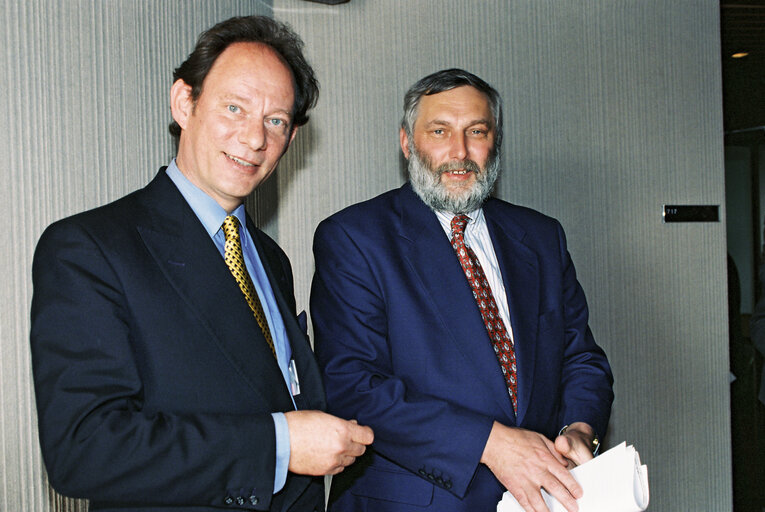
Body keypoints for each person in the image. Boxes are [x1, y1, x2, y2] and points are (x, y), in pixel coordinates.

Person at [30, 15, 372, 512]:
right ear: (184, 103)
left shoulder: (271, 259)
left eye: (275, 120)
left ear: (291, 140)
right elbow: (84, 449)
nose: (255, 138)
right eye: (235, 108)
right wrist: (280, 445)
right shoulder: (88, 248)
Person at [311, 68, 613, 512]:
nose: (460, 152)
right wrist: (492, 444)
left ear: (495, 143)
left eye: (477, 131)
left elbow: (581, 358)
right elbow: (354, 387)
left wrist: (579, 430)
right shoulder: (355, 238)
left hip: (543, 499)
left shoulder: (541, 237)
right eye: (439, 131)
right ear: (407, 142)